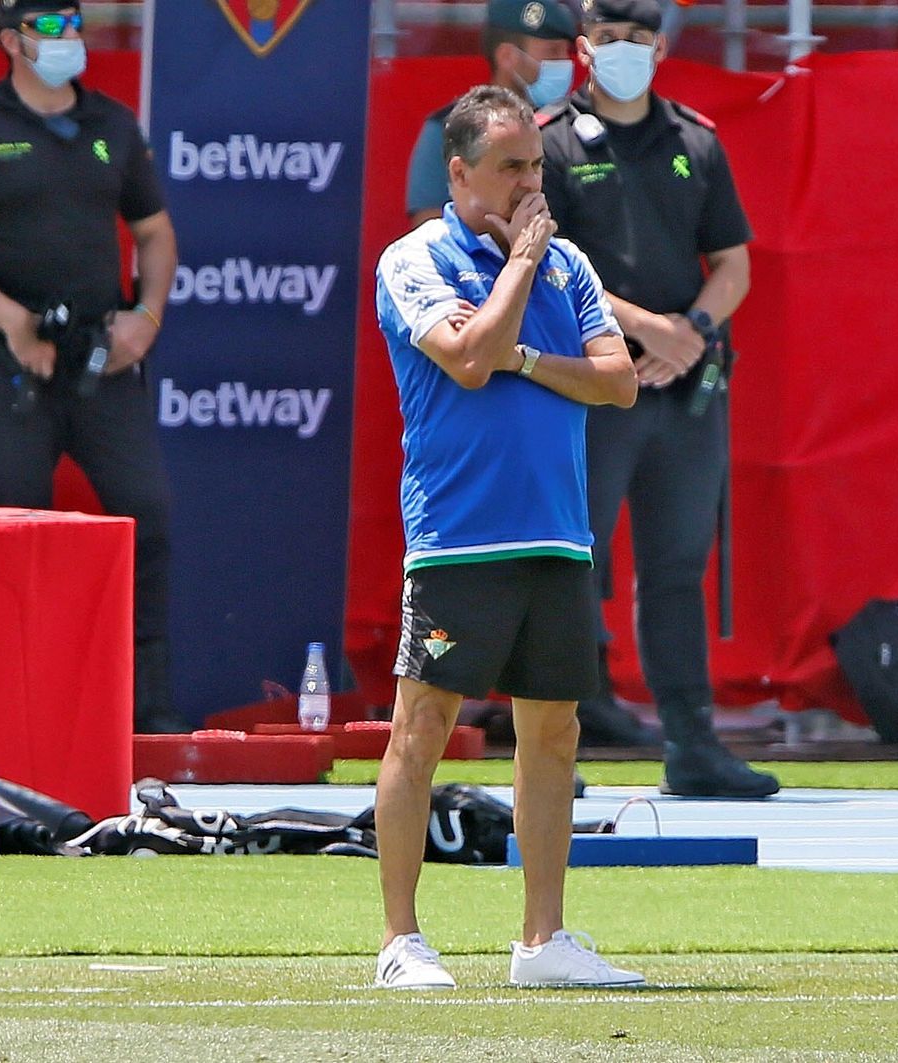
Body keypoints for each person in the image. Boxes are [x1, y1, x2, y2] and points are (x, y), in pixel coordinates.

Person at [372, 85, 642, 990]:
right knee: (424, 726)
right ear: (460, 173)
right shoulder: (416, 259)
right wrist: (519, 269)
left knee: (554, 732)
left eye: (536, 164)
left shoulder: (568, 265)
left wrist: (531, 353)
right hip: (459, 535)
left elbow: (619, 382)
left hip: (558, 534)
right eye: (509, 168)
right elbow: (470, 359)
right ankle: (402, 940)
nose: (531, 184)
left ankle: (542, 941)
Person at [0, 0, 185, 735]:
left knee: (146, 511)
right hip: (12, 361)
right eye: (53, 29)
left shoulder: (113, 126)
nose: (72, 40)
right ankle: (14, 701)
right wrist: (11, 323)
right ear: (12, 41)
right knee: (15, 518)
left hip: (102, 354)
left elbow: (156, 234)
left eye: (75, 25)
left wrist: (147, 316)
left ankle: (148, 708)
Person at [538, 0, 779, 795]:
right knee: (573, 561)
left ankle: (693, 745)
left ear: (662, 47)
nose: (624, 51)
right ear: (583, 47)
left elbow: (735, 262)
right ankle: (553, 749)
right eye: (609, 40)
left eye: (638, 40)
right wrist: (644, 326)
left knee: (677, 569)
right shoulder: (552, 145)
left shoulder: (695, 142)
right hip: (596, 384)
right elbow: (547, 267)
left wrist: (693, 330)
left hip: (684, 388)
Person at [404, 0, 581, 228]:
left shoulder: (575, 129)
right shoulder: (449, 130)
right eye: (552, 52)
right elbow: (429, 229)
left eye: (566, 52)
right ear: (507, 56)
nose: (565, 63)